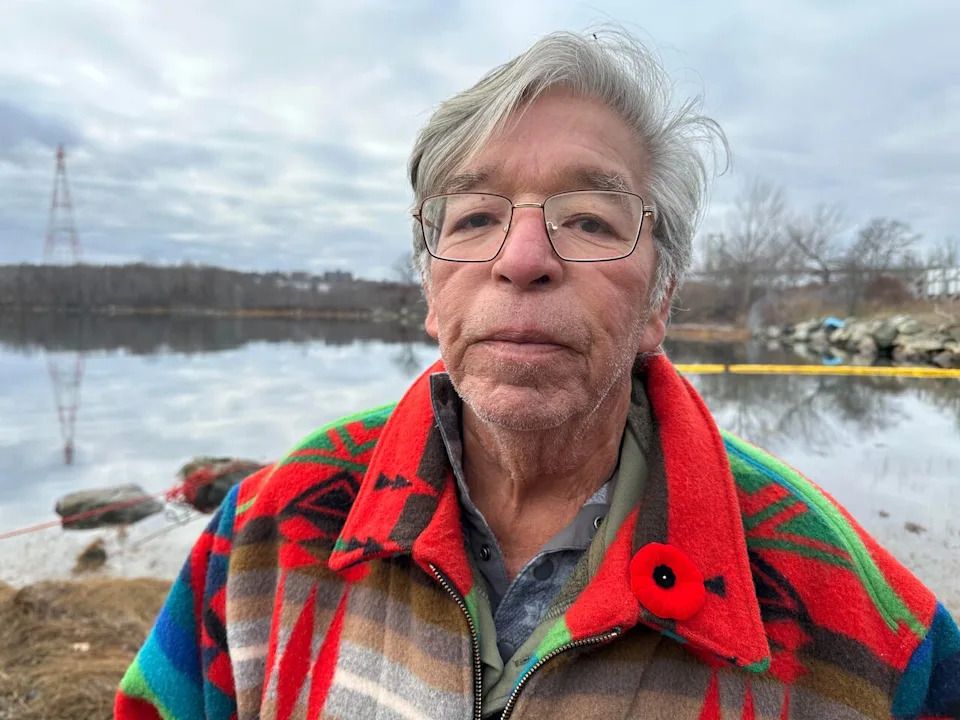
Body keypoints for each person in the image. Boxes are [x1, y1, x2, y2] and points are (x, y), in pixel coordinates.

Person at [116, 29, 960, 720]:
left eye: (589, 220)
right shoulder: (265, 534)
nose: (522, 259)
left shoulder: (860, 622)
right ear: (431, 292)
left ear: (660, 301)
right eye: (475, 217)